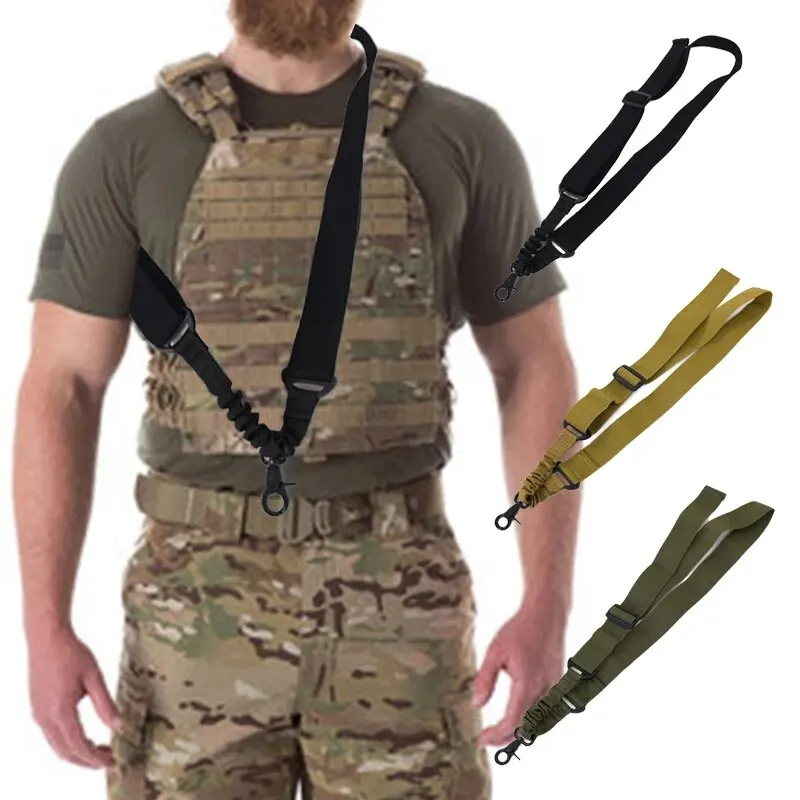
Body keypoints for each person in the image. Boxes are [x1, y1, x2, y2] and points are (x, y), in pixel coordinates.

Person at [13, 0, 579, 797]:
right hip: (193, 608)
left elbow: (533, 365)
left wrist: (547, 603)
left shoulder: (460, 138)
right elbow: (62, 385)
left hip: (401, 595)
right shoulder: (127, 148)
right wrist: (45, 628)